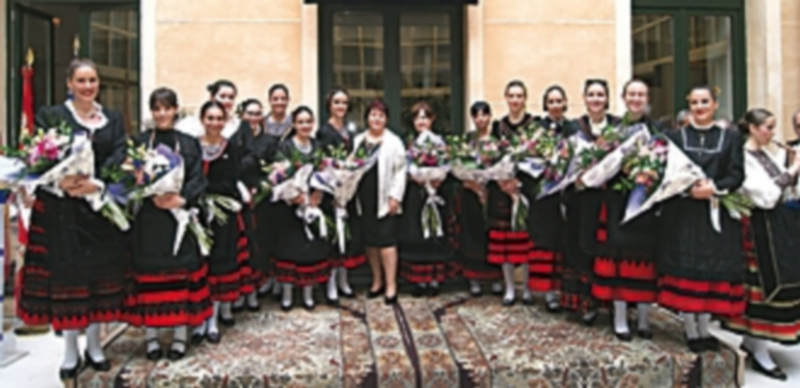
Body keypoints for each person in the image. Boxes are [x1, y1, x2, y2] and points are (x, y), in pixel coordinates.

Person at [15, 58, 128, 379]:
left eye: (92, 80)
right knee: (68, 282)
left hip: (98, 210)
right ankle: (69, 351)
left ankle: (94, 346)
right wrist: (60, 181)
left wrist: (97, 184)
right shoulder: (51, 116)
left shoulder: (113, 119)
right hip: (61, 212)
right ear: (69, 84)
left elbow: (119, 157)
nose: (88, 86)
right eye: (81, 80)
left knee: (97, 281)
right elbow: (39, 157)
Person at [124, 87, 211, 361]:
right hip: (148, 220)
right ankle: (151, 338)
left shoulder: (188, 143)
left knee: (178, 276)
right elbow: (126, 178)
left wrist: (182, 199)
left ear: (175, 110)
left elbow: (199, 179)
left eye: (167, 108)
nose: (162, 114)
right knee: (150, 277)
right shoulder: (139, 142)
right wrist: (140, 186)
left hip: (177, 220)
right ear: (152, 112)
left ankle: (179, 337)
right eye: (157, 109)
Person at [657, 85, 745, 353]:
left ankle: (705, 328)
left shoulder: (730, 138)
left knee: (709, 272)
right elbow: (666, 172)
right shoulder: (675, 137)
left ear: (715, 104)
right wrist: (688, 188)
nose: (699, 107)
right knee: (687, 270)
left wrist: (714, 187)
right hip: (683, 214)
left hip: (714, 212)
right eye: (694, 102)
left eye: (704, 101)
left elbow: (737, 173)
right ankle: (690, 329)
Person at [583, 79, 664, 341]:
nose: (636, 99)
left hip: (646, 205)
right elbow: (600, 165)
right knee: (618, 261)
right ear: (623, 97)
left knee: (644, 261)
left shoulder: (659, 130)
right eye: (632, 94)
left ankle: (643, 319)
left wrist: (651, 171)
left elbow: (667, 163)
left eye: (641, 94)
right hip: (617, 201)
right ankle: (619, 318)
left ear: (647, 97)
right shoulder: (614, 130)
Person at [722, 108, 800, 381]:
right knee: (761, 291)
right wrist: (793, 168)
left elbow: (785, 190)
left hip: (776, 228)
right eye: (768, 127)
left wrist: (790, 170)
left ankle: (756, 345)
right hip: (757, 231)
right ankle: (758, 348)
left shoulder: (766, 154)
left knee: (774, 287)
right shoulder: (743, 157)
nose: (772, 133)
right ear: (753, 129)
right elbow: (766, 196)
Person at [190, 101, 251, 344]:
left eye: (219, 118)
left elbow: (233, 180)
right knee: (198, 266)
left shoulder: (231, 148)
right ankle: (197, 320)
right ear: (202, 119)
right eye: (210, 118)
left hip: (223, 215)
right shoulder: (192, 146)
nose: (214, 123)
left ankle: (212, 319)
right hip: (197, 214)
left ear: (224, 121)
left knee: (218, 264)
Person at [562, 78, 620, 325]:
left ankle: (608, 302)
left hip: (609, 198)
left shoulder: (618, 127)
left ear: (606, 99)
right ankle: (586, 302)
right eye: (591, 95)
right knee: (581, 246)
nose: (596, 99)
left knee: (605, 249)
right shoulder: (573, 127)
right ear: (584, 98)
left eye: (600, 95)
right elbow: (561, 161)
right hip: (580, 198)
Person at [272, 106, 332, 311]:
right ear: (294, 124)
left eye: (308, 121)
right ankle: (287, 294)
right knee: (289, 248)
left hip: (313, 205)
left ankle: (308, 293)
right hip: (290, 207)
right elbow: (278, 175)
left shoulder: (318, 146)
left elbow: (326, 173)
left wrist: (318, 193)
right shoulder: (285, 146)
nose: (305, 125)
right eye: (301, 122)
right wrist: (293, 196)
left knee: (311, 248)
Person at [398, 102, 455, 297]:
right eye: (417, 118)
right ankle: (419, 281)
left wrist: (438, 178)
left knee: (435, 234)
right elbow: (403, 167)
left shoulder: (440, 143)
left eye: (425, 117)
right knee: (417, 234)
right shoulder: (408, 143)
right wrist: (415, 177)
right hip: (416, 194)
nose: (421, 121)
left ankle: (434, 279)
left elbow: (447, 164)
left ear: (432, 119)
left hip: (437, 193)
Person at [526, 85, 574, 312]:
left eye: (559, 101)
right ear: (545, 105)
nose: (555, 105)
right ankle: (547, 292)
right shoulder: (537, 129)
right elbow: (525, 154)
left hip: (567, 194)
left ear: (565, 104)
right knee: (544, 241)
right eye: (551, 102)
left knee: (564, 242)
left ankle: (563, 290)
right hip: (544, 195)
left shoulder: (574, 128)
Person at [354, 99, 407, 304]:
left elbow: (400, 172)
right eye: (373, 115)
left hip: (386, 199)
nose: (376, 119)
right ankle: (377, 281)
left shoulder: (394, 142)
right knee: (370, 242)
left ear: (386, 119)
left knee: (387, 241)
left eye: (381, 115)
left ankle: (391, 285)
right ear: (367, 117)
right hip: (365, 197)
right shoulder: (359, 140)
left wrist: (395, 196)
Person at [489, 80, 535, 306]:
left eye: (519, 96)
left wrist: (520, 184)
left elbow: (540, 156)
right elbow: (491, 157)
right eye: (512, 96)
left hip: (525, 189)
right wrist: (503, 183)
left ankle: (526, 287)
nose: (515, 100)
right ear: (506, 98)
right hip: (503, 191)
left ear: (524, 99)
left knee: (525, 240)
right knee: (506, 242)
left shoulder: (534, 126)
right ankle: (509, 288)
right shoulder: (498, 127)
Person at [316, 87, 364, 303]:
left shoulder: (350, 131)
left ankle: (344, 281)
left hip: (348, 191)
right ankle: (331, 285)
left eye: (344, 103)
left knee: (348, 237)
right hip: (331, 193)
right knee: (334, 239)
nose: (340, 106)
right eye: (337, 102)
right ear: (329, 105)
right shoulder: (324, 132)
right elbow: (323, 163)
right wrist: (334, 190)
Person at [455, 101, 503, 296]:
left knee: (491, 235)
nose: (481, 119)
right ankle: (473, 279)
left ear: (490, 117)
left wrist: (490, 182)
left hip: (492, 193)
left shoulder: (498, 141)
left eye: (484, 115)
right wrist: (472, 184)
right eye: (477, 115)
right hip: (470, 195)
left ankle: (495, 279)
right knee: (472, 235)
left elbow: (505, 165)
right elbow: (457, 167)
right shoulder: (467, 141)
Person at [176, 79, 242, 138]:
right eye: (222, 96)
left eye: (231, 97)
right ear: (211, 97)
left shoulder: (238, 125)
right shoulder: (189, 123)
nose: (227, 101)